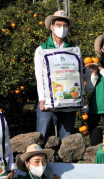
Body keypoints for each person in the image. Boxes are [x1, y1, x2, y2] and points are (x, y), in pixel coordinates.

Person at [34, 10, 81, 139]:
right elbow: (39, 76)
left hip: (69, 100)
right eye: (59, 25)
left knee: (67, 141)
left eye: (65, 26)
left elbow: (79, 73)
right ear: (51, 27)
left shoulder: (74, 49)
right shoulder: (42, 49)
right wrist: (42, 99)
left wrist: (80, 97)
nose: (62, 28)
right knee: (43, 138)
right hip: (49, 102)